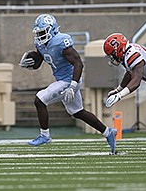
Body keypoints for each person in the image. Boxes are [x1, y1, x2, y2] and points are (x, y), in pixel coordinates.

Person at [19, 13, 117, 154]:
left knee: (40, 99)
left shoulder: (60, 42)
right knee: (77, 112)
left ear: (52, 30)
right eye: (38, 33)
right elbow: (40, 60)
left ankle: (44, 136)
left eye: (43, 32)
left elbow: (78, 63)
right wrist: (30, 63)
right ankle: (108, 132)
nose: (40, 36)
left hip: (69, 80)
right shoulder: (40, 43)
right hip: (63, 80)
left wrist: (72, 85)